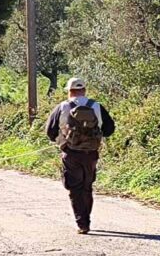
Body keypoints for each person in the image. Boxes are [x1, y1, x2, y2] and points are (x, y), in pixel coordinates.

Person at [45, 77, 116, 234]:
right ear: (84, 90)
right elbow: (110, 129)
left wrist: (61, 141)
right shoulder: (96, 106)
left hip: (70, 153)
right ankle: (86, 219)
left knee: (75, 188)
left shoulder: (63, 106)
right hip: (91, 153)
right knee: (87, 186)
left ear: (69, 91)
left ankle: (82, 223)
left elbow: (49, 131)